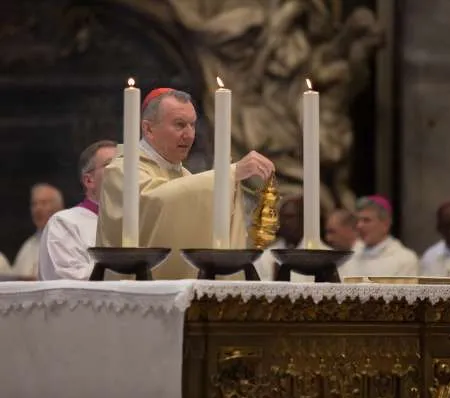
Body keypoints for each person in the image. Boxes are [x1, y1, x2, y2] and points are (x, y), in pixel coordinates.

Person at [96, 88, 275, 279]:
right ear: (148, 129)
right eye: (180, 125)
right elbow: (155, 200)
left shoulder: (185, 175)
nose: (189, 135)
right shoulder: (121, 170)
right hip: (132, 291)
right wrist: (228, 173)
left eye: (192, 125)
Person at [38, 141, 117, 280]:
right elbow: (72, 282)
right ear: (89, 180)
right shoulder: (64, 223)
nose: (121, 170)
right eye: (110, 164)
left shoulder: (139, 221)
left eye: (124, 164)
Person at [338, 195, 418, 278]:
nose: (359, 225)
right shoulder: (351, 255)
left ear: (385, 224)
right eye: (358, 220)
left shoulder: (405, 259)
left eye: (366, 220)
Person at [12, 183, 64, 278]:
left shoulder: (69, 240)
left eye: (44, 203)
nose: (38, 209)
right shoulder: (28, 246)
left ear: (59, 208)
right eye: (34, 204)